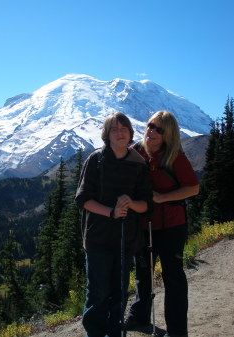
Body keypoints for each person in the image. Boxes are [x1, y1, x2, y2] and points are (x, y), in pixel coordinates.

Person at [75, 112, 153, 337]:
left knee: (119, 293)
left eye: (124, 129)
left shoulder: (138, 163)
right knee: (98, 294)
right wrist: (111, 212)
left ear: (130, 133)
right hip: (97, 238)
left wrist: (132, 204)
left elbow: (147, 203)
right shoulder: (96, 160)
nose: (120, 133)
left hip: (125, 238)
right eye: (114, 129)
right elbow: (82, 200)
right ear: (107, 135)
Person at [125, 110, 199, 337]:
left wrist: (163, 198)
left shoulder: (175, 157)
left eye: (159, 129)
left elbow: (193, 188)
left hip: (171, 226)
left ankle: (177, 331)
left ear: (168, 135)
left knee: (173, 276)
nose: (152, 131)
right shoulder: (136, 152)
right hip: (144, 224)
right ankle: (139, 316)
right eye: (150, 125)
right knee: (143, 272)